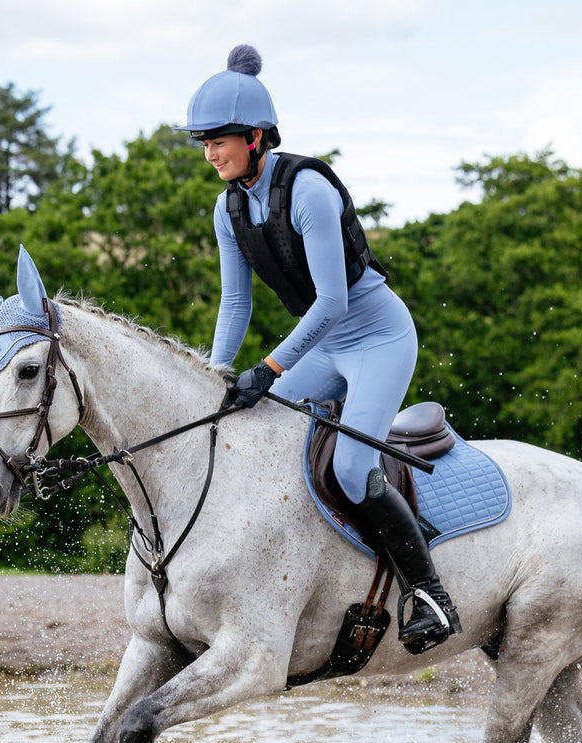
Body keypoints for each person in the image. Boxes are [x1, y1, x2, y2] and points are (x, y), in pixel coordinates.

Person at [178, 44, 461, 654]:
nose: (208, 153)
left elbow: (332, 302)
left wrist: (271, 367)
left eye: (217, 140)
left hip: (377, 338)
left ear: (255, 137)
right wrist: (217, 376)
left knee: (351, 466)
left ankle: (431, 592)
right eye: (202, 142)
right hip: (325, 347)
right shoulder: (228, 208)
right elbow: (235, 304)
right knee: (260, 436)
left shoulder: (308, 191)